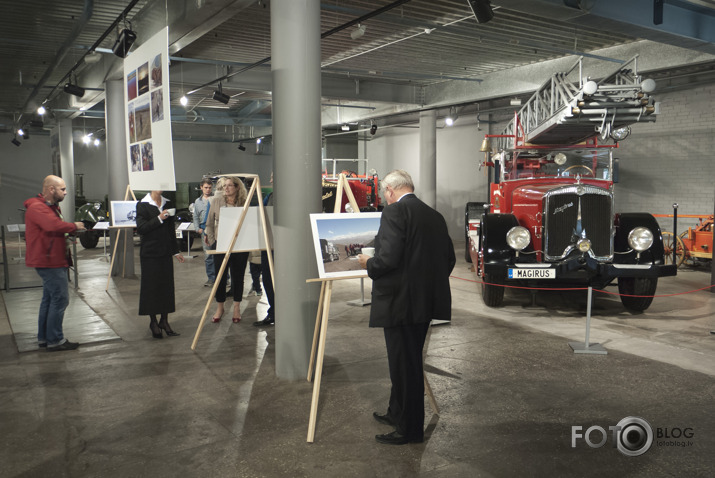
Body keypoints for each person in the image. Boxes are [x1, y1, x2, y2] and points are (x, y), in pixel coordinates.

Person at [358, 169, 455, 445]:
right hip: (424, 303)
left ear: (390, 191)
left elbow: (387, 259)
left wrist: (369, 264)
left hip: (400, 303)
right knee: (406, 362)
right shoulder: (434, 215)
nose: (384, 198)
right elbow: (447, 259)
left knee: (405, 367)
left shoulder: (394, 213)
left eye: (383, 194)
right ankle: (396, 412)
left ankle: (410, 430)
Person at [24, 175, 86, 351]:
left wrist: (69, 232)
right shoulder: (38, 208)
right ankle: (55, 340)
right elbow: (53, 226)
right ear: (51, 189)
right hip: (49, 261)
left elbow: (53, 229)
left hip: (51, 259)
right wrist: (74, 226)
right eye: (63, 189)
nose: (66, 192)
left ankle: (44, 338)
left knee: (49, 299)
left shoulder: (49, 207)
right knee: (60, 300)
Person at [136, 191, 185, 338]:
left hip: (165, 253)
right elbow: (141, 228)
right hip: (150, 253)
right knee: (151, 287)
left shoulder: (168, 203)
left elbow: (171, 230)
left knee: (166, 287)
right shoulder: (142, 205)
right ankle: (153, 321)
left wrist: (175, 251)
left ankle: (164, 320)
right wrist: (159, 218)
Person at [205, 176, 249, 323]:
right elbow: (209, 223)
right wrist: (213, 241)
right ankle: (220, 307)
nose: (226, 188)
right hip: (220, 244)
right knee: (220, 277)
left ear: (237, 187)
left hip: (240, 245)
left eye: (230, 185)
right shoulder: (217, 201)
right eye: (225, 186)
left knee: (238, 277)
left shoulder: (245, 202)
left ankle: (236, 307)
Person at [254, 172, 275, 326]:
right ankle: (273, 312)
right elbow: (260, 212)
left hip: (282, 246)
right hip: (268, 244)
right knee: (267, 279)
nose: (271, 179)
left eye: (274, 177)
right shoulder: (271, 196)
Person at [193, 178, 215, 287]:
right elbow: (195, 216)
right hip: (204, 231)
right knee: (208, 256)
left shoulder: (216, 199)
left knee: (219, 254)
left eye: (210, 187)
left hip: (216, 231)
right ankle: (211, 278)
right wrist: (198, 228)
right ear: (201, 187)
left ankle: (225, 278)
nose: (208, 190)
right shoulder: (197, 202)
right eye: (206, 187)